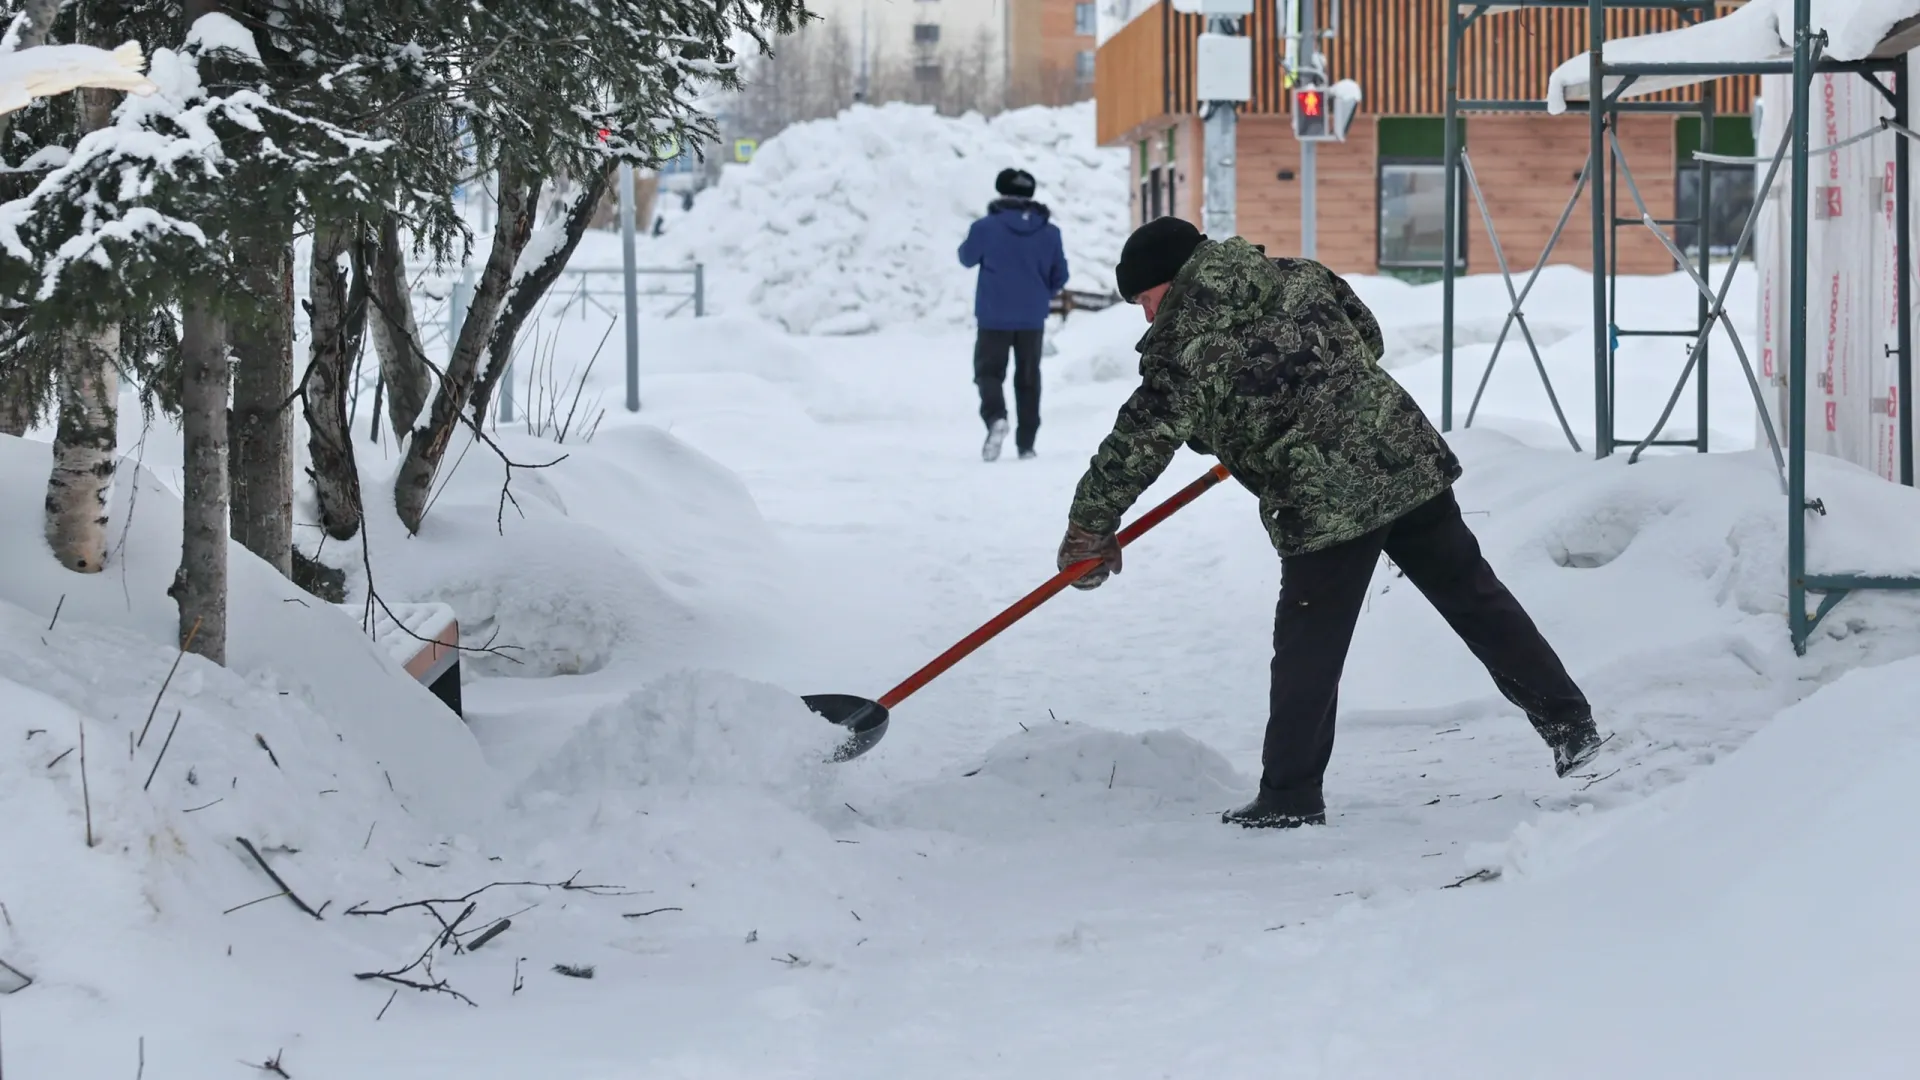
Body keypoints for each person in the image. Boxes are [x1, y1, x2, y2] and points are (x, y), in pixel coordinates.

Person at [1055, 217, 1602, 829]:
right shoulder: (1299, 276)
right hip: (1401, 457)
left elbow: (1139, 441)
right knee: (1475, 599)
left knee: (1308, 646)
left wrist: (1089, 526)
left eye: (1146, 301)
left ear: (1170, 281)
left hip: (1324, 497)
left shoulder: (1182, 341)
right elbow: (1365, 337)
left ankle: (1289, 797)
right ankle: (1573, 728)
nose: (1148, 319)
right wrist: (1286, 405)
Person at [958, 168, 1069, 462]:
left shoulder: (985, 227)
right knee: (1029, 378)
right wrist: (1039, 293)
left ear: (1001, 192)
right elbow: (1061, 275)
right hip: (1032, 318)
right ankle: (1027, 444)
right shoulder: (1050, 232)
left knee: (988, 373)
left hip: (993, 315)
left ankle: (996, 418)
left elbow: (966, 258)